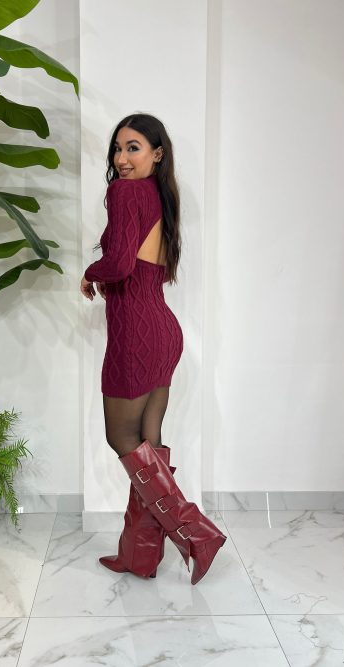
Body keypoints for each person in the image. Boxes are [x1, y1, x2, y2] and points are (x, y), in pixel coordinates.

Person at [81, 113, 226, 585]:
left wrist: (90, 273)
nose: (122, 158)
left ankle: (196, 534)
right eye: (117, 148)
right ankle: (139, 556)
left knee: (121, 439)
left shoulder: (126, 193)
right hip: (163, 332)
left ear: (157, 153)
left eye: (133, 148)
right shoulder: (160, 194)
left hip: (136, 335)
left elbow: (120, 264)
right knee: (148, 444)